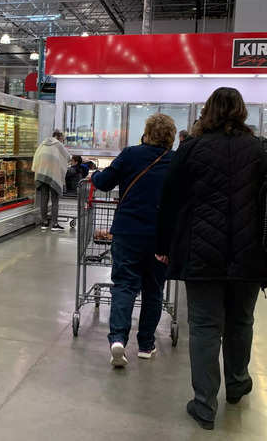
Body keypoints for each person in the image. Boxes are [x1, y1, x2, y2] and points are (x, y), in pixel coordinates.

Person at [155, 88, 267, 430]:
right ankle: (237, 383)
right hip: (250, 255)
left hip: (202, 255)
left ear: (208, 112)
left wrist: (163, 243)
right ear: (242, 112)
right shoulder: (262, 149)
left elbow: (170, 199)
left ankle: (204, 405)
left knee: (205, 328)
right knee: (240, 322)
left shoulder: (191, 148)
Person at [91, 113, 176, 367]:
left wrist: (95, 174)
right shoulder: (175, 161)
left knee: (125, 285)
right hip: (160, 237)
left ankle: (117, 339)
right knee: (153, 290)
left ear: (146, 132)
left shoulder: (130, 154)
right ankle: (146, 345)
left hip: (128, 232)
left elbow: (104, 183)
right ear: (171, 137)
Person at [32, 130, 70, 231]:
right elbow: (68, 157)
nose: (62, 141)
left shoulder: (43, 144)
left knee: (43, 199)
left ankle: (44, 222)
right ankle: (54, 224)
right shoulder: (58, 145)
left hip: (41, 173)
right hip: (53, 174)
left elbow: (36, 157)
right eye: (62, 139)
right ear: (59, 137)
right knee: (55, 200)